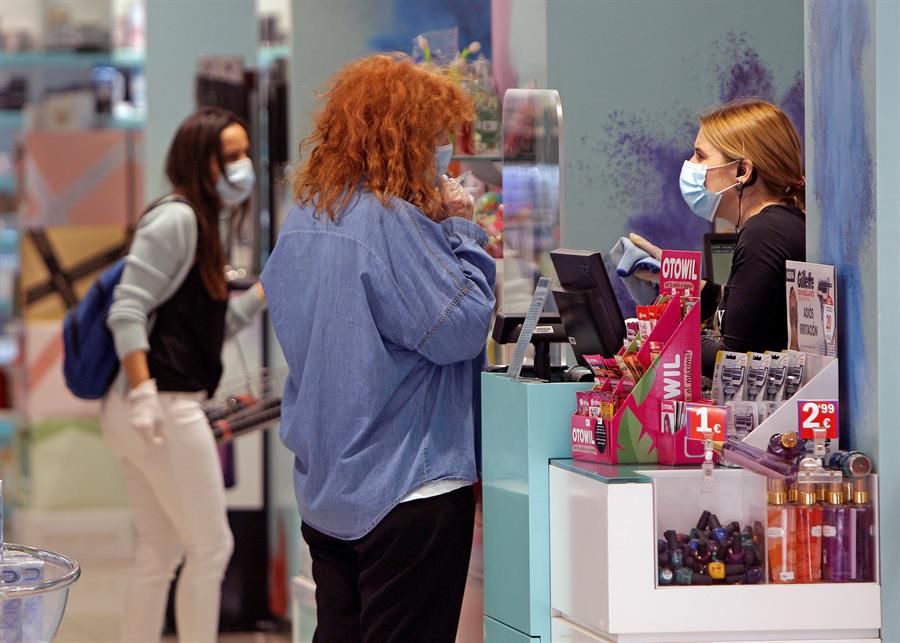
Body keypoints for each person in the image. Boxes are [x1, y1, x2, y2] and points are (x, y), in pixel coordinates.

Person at [261, 54, 495, 643]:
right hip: (406, 481)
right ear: (404, 136)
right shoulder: (389, 222)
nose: (443, 150)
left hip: (328, 482)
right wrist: (461, 229)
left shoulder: (307, 216)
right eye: (436, 135)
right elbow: (462, 327)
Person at [101, 107, 267, 643]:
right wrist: (145, 394)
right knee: (210, 547)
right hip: (162, 408)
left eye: (245, 153)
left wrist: (263, 293)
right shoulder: (178, 220)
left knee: (160, 551)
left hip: (148, 409)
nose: (243, 166)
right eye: (231, 155)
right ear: (201, 161)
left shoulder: (204, 224)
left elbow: (202, 332)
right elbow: (127, 309)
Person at [630, 98, 806, 376]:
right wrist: (686, 285)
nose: (690, 164)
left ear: (742, 171)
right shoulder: (775, 226)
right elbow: (755, 317)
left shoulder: (764, 234)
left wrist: (664, 334)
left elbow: (735, 360)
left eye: (700, 156)